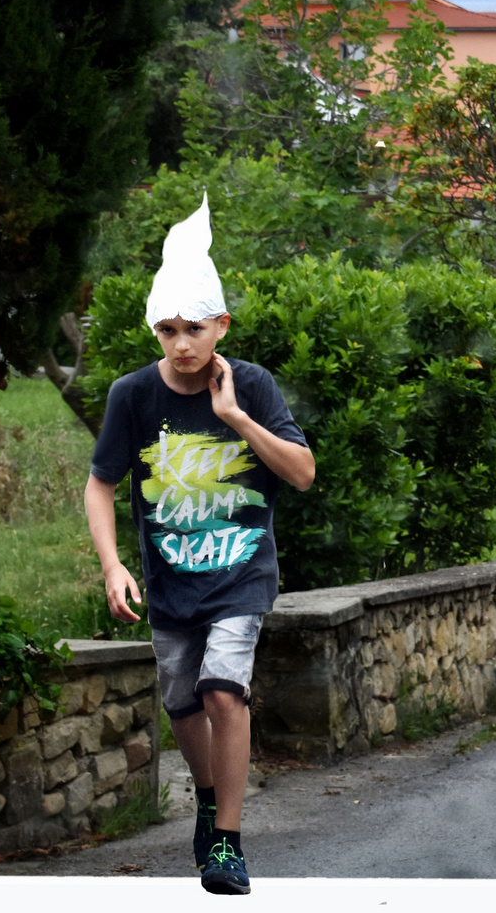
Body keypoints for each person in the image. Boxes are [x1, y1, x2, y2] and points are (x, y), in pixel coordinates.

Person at [84, 196, 314, 896]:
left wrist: (235, 416)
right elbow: (99, 485)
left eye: (194, 327)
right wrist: (113, 562)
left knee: (222, 691)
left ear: (221, 325)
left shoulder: (252, 386)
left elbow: (302, 475)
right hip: (171, 582)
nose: (181, 343)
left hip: (242, 577)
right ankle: (209, 803)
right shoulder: (132, 396)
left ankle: (228, 844)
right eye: (167, 329)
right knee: (182, 703)